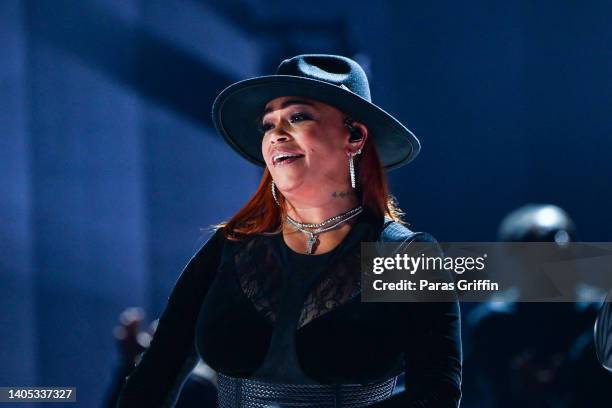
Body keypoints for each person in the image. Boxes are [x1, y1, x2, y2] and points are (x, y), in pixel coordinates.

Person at [116, 54, 462, 407]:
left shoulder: (408, 258)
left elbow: (435, 396)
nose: (276, 136)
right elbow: (156, 372)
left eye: (298, 117)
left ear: (355, 135)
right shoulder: (228, 247)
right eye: (268, 125)